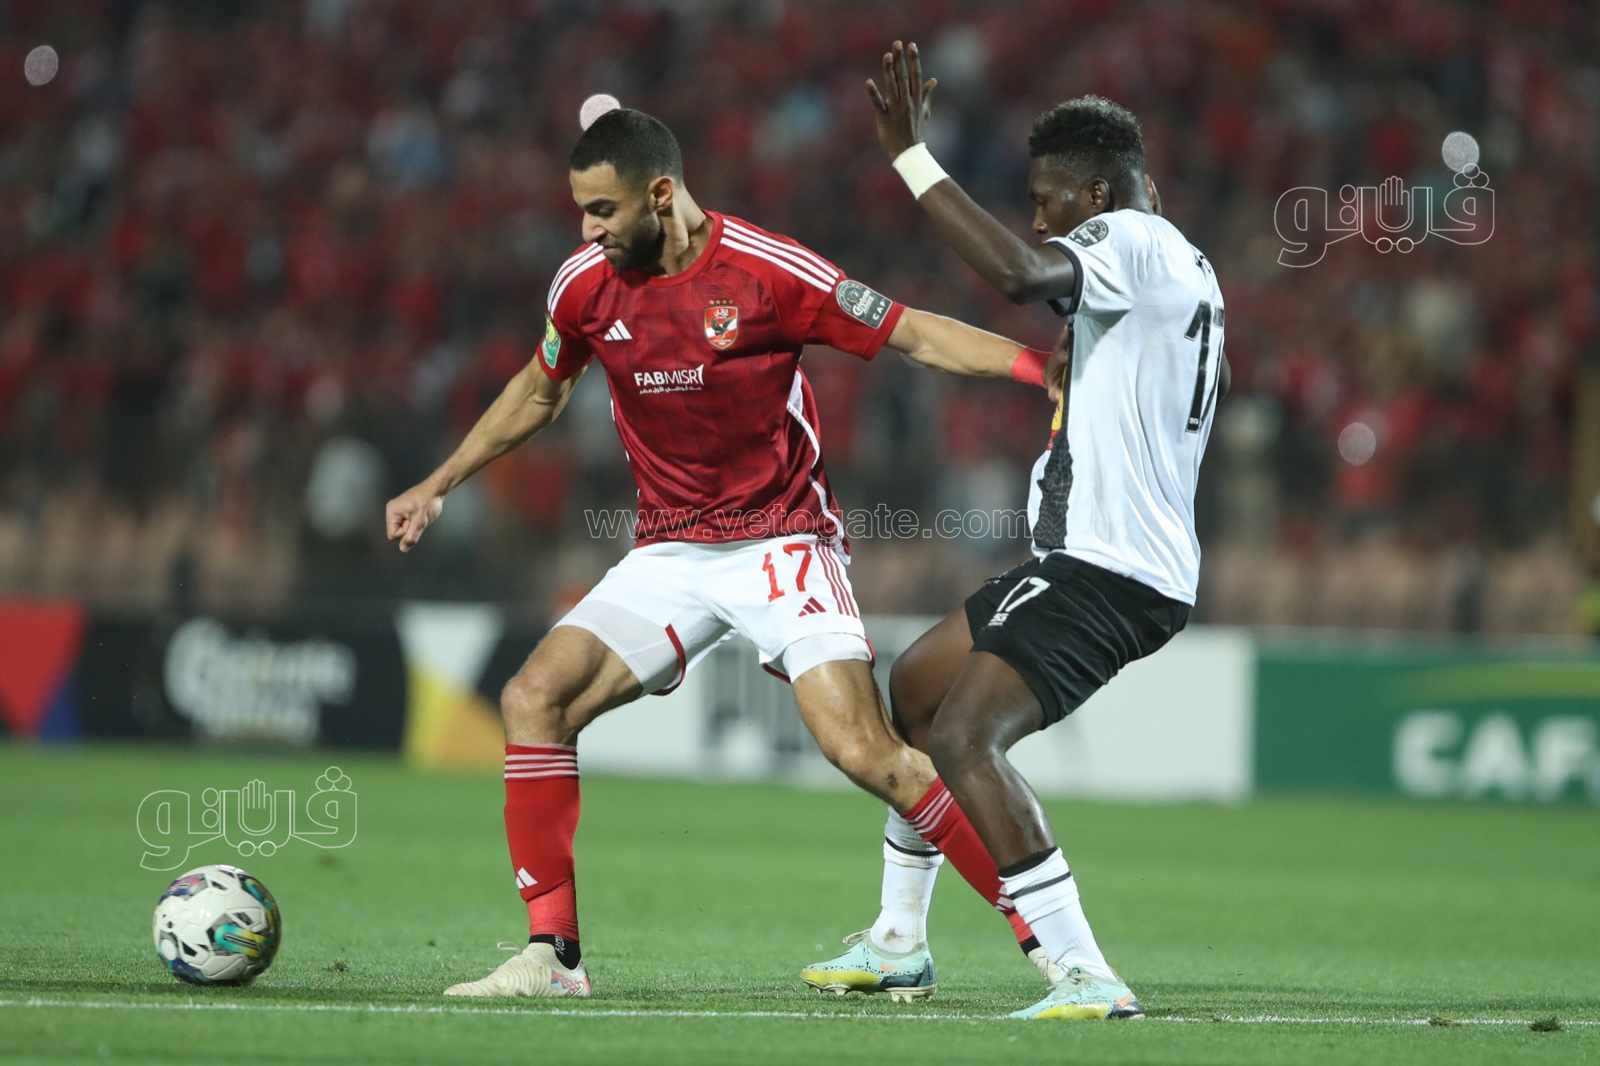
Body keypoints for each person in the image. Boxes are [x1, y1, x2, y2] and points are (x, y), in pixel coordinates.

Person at [385, 105, 1054, 999]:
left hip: (782, 541)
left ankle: (1053, 942)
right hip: (669, 551)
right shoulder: (583, 286)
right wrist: (438, 482)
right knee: (534, 698)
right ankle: (553, 957)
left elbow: (913, 333)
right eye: (580, 210)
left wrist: (1038, 369)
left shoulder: (769, 272)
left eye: (602, 210)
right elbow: (539, 392)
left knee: (869, 753)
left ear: (661, 194)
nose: (585, 231)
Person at [804, 43, 1228, 1021]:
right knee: (917, 687)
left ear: (1098, 193)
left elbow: (1016, 272)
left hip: (1110, 567)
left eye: (1047, 200)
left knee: (965, 735)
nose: (1039, 219)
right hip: (1096, 557)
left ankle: (1083, 972)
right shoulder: (1181, 265)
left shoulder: (1128, 238)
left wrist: (911, 156)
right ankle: (899, 941)